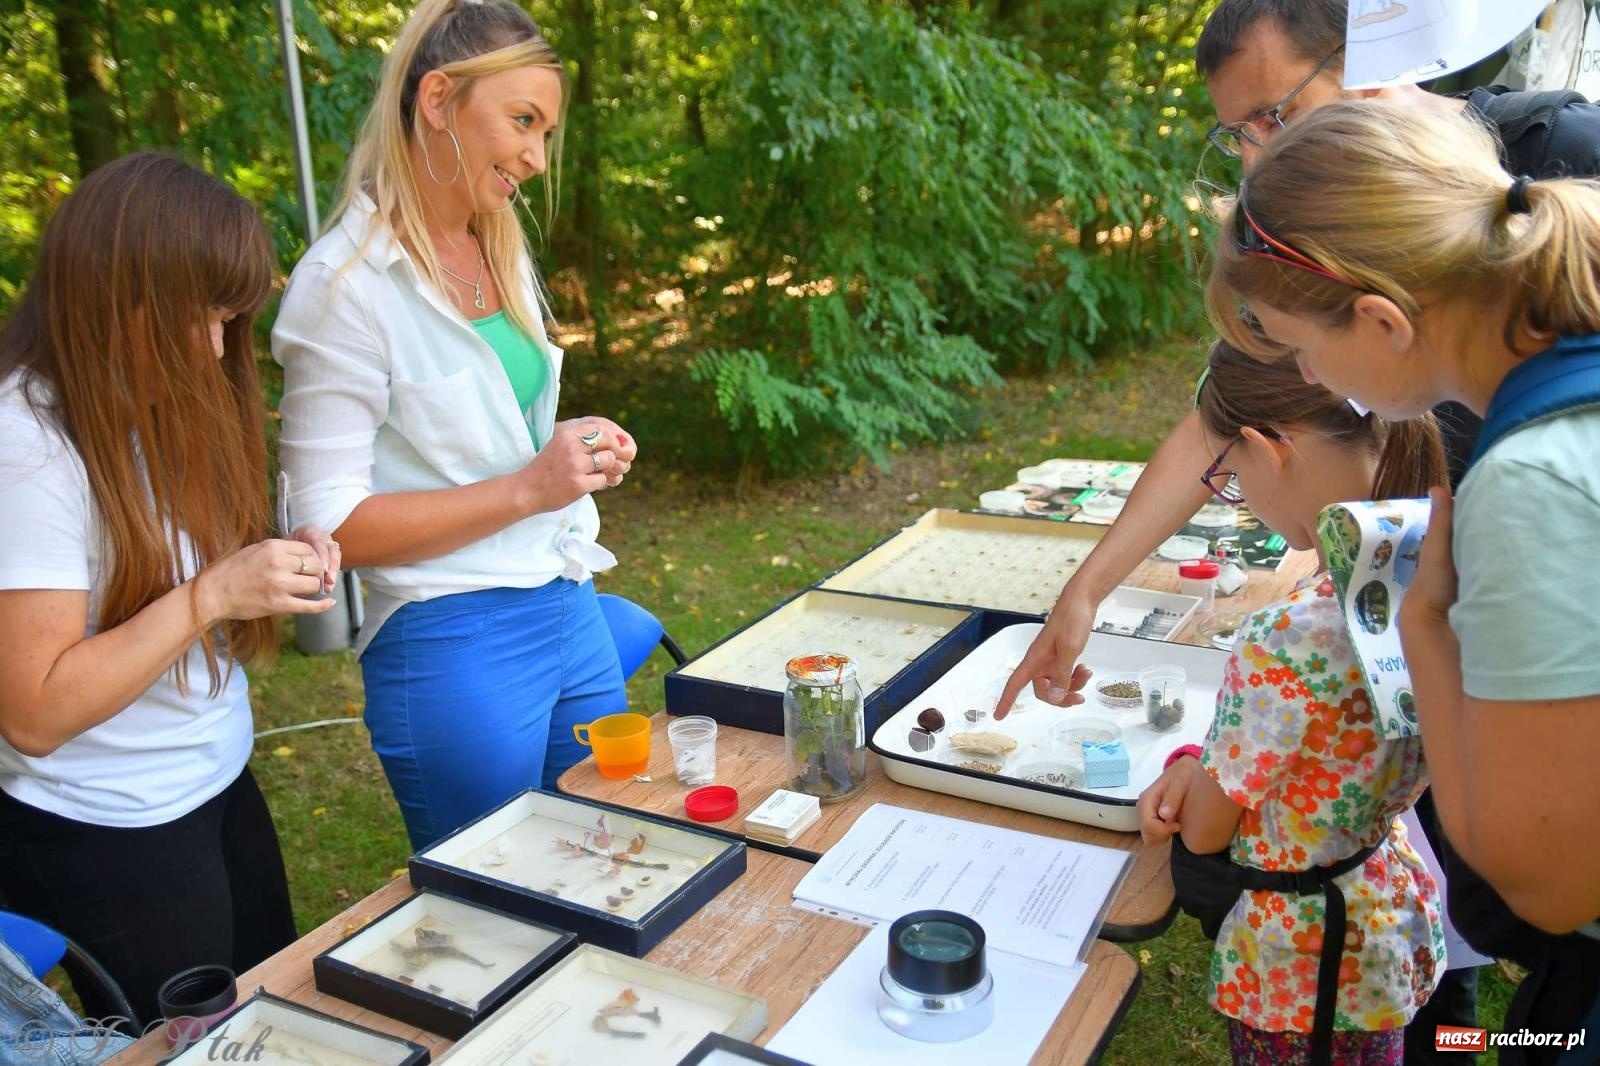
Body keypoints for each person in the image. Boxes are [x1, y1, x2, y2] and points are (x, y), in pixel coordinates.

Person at [1207, 97, 1600, 1064]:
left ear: (1381, 321)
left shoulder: (1528, 480)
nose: (1303, 369)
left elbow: (1546, 883)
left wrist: (1424, 628)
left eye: (1298, 346)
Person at [274, 0, 638, 850]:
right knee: (499, 901)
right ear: (437, 100)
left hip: (565, 596)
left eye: (545, 132)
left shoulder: (498, 244)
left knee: (604, 855)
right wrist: (525, 486)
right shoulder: (343, 288)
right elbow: (324, 528)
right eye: (522, 121)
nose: (536, 158)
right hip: (452, 634)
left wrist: (564, 448)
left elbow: (486, 439)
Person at [0, 152, 341, 1026]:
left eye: (232, 320)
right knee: (197, 1044)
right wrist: (210, 597)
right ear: (119, 296)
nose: (216, 347)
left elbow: (170, 572)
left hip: (212, 781)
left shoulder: (145, 404)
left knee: (270, 1014)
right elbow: (33, 713)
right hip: (110, 827)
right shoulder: (26, 445)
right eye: (203, 318)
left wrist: (271, 557)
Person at [1138, 340, 1446, 1066]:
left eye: (1231, 478)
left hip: (1299, 959)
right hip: (1379, 905)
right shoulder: (1436, 561)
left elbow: (1209, 832)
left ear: (1267, 448)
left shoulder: (1286, 634)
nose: (1237, 495)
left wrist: (1195, 768)